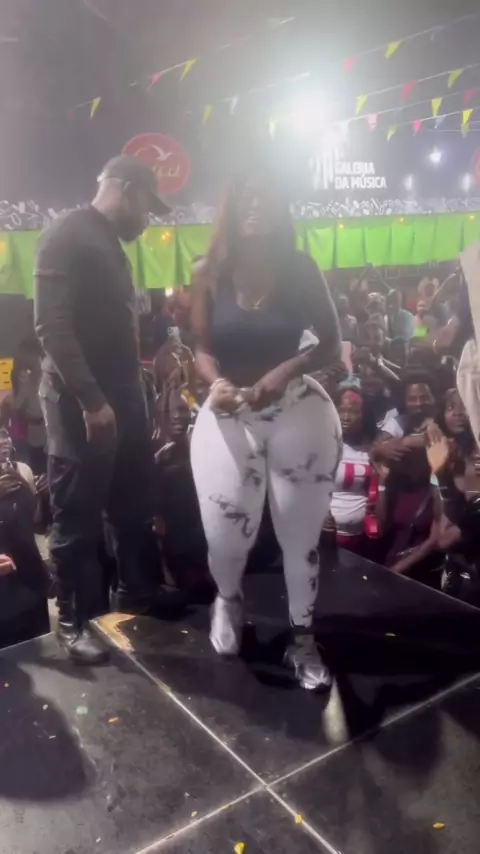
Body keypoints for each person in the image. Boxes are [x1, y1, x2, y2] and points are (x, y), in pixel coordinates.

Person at [190, 165, 342, 691]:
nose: (256, 205)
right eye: (247, 196)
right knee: (227, 536)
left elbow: (330, 341)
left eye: (267, 196)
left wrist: (287, 369)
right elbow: (201, 348)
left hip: (298, 409)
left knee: (301, 537)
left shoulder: (300, 267)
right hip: (230, 410)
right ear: (233, 206)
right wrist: (214, 382)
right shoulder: (208, 271)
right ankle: (228, 599)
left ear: (281, 207)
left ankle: (304, 639)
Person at [34, 155, 174, 665]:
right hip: (81, 406)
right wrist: (92, 401)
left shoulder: (108, 241)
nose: (148, 220)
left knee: (131, 507)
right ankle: (74, 622)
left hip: (123, 398)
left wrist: (136, 393)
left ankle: (135, 596)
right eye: (147, 207)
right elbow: (51, 326)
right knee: (77, 519)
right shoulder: (66, 234)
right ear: (127, 190)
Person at [329, 388, 378, 555]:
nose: (346, 417)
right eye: (341, 410)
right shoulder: (324, 445)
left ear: (365, 415)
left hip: (363, 538)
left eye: (354, 412)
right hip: (327, 537)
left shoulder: (374, 447)